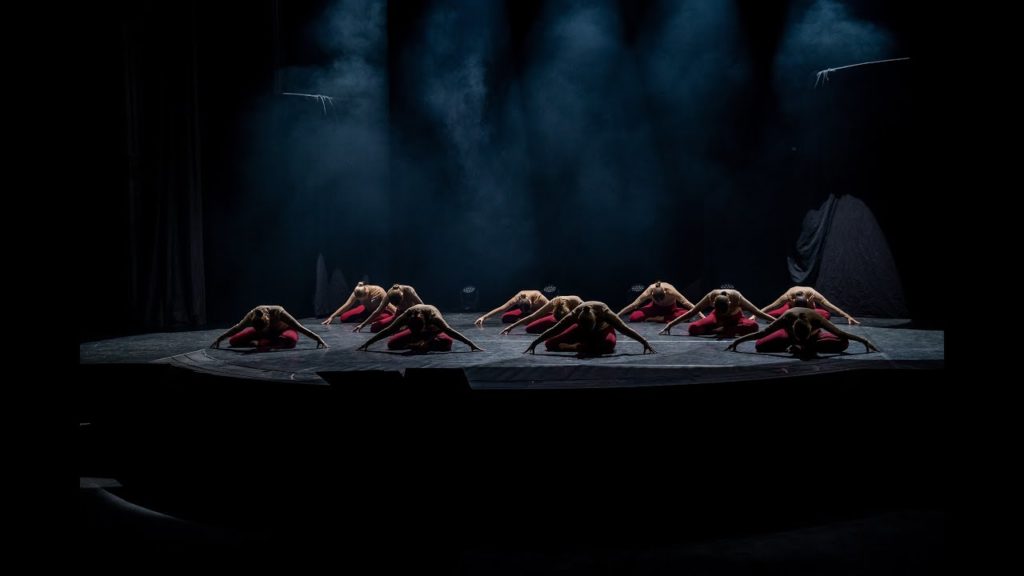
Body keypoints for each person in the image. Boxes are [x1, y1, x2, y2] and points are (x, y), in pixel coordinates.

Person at [725, 307, 878, 357]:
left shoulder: (817, 319)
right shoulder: (786, 319)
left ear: (811, 328)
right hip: (789, 337)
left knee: (843, 343)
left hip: (811, 339)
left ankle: (805, 347)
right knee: (760, 345)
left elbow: (841, 334)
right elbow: (761, 334)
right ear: (792, 328)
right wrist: (737, 341)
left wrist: (864, 341)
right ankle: (799, 346)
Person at [524, 301, 655, 356]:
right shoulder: (574, 314)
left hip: (602, 331)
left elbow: (624, 328)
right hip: (582, 332)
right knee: (549, 344)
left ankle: (578, 346)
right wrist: (535, 342)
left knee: (609, 345)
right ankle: (582, 345)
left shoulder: (604, 312)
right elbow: (556, 329)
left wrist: (643, 341)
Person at [357, 304, 484, 353]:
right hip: (417, 333)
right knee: (392, 344)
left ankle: (424, 344)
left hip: (432, 332)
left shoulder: (434, 317)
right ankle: (417, 343)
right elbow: (388, 330)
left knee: (447, 343)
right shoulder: (407, 315)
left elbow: (450, 331)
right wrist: (368, 343)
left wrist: (470, 344)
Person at [660, 287, 776, 337]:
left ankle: (724, 329)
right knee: (693, 328)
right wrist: (670, 324)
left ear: (729, 303)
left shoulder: (736, 296)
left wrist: (778, 321)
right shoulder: (711, 296)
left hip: (735, 318)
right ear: (714, 304)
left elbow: (757, 312)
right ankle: (722, 330)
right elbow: (692, 312)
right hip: (716, 318)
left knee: (754, 326)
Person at [211, 305, 328, 350]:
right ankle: (263, 341)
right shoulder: (252, 316)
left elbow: (298, 326)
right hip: (265, 333)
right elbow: (237, 328)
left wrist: (317, 337)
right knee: (233, 341)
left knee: (291, 340)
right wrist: (220, 338)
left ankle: (264, 342)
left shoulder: (278, 312)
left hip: (283, 330)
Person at [759, 286, 861, 325]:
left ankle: (806, 310)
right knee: (774, 314)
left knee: (825, 314)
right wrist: (755, 314)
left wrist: (847, 316)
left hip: (809, 309)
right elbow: (772, 306)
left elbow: (830, 306)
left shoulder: (812, 294)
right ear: (791, 300)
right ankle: (791, 311)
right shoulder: (788, 296)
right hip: (791, 309)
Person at [616, 281, 703, 323]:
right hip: (654, 308)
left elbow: (686, 303)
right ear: (652, 294)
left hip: (670, 310)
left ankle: (657, 318)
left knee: (687, 316)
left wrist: (703, 316)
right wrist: (617, 315)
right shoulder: (649, 291)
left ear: (665, 292)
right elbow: (634, 304)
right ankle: (660, 318)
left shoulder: (670, 290)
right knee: (634, 317)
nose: (661, 301)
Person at [353, 284, 424, 333]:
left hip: (412, 315)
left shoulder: (409, 290)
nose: (399, 305)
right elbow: (378, 311)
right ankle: (401, 326)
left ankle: (406, 327)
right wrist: (362, 325)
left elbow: (422, 305)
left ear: (402, 295)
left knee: (397, 334)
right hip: (399, 315)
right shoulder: (389, 294)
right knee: (374, 328)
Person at [500, 295, 584, 335]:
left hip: (575, 318)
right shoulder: (552, 303)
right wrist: (510, 327)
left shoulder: (578, 303)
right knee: (529, 328)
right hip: (559, 316)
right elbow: (531, 317)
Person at [321, 282, 393, 325]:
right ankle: (364, 318)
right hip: (367, 310)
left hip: (380, 311)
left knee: (374, 319)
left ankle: (366, 319)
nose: (361, 300)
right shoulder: (357, 290)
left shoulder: (379, 291)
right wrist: (332, 316)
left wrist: (398, 316)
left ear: (367, 292)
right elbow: (347, 305)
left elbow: (389, 306)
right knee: (343, 318)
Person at [474, 290, 550, 326]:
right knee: (505, 317)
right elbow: (502, 308)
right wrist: (483, 317)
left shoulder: (539, 298)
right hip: (526, 313)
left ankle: (528, 319)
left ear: (531, 303)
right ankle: (524, 318)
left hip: (539, 311)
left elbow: (553, 306)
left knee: (548, 317)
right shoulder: (518, 297)